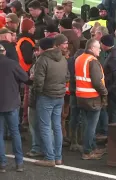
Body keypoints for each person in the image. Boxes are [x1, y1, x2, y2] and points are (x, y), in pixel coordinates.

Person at [33, 38, 69, 167]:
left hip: (46, 96)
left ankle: (50, 157)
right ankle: (58, 157)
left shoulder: (42, 60)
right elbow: (67, 76)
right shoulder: (63, 58)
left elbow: (38, 81)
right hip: (60, 96)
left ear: (42, 48)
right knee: (57, 126)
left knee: (45, 127)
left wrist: (39, 92)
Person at [75, 39, 108, 160]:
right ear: (92, 48)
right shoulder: (93, 61)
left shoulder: (79, 58)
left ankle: (92, 147)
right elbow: (97, 82)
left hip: (81, 97)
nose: (99, 50)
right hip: (92, 98)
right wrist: (105, 92)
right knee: (91, 126)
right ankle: (88, 151)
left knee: (86, 124)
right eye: (98, 47)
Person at [0, 44, 28, 173]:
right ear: (4, 52)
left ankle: (2, 164)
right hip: (11, 103)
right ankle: (19, 163)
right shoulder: (12, 64)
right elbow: (25, 78)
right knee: (15, 132)